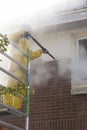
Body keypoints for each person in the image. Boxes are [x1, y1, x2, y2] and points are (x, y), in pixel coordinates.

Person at [3, 30, 48, 109]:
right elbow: (10, 37)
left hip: (23, 70)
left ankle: (16, 106)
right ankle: (7, 104)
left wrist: (41, 51)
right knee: (11, 86)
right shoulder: (17, 40)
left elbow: (31, 55)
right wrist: (21, 33)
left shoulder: (26, 45)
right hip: (15, 66)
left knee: (21, 89)